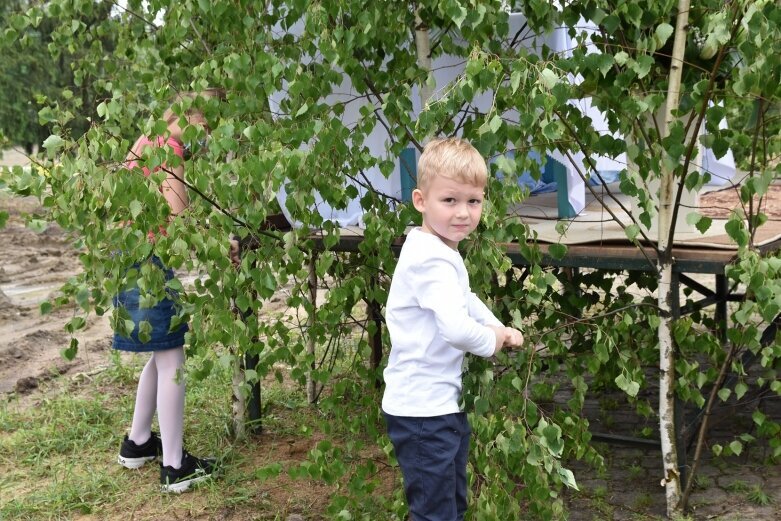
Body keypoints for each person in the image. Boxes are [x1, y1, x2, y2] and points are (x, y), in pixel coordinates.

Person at [381, 137, 525, 520]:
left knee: (450, 505)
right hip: (423, 413)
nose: (463, 212)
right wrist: (494, 339)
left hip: (441, 405)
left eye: (473, 201)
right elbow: (457, 330)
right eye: (450, 200)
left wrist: (497, 324)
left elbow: (463, 298)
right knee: (435, 513)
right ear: (420, 201)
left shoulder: (437, 248)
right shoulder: (432, 260)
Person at [114, 89, 226, 493]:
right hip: (149, 261)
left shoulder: (148, 139)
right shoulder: (171, 148)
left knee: (163, 351)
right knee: (173, 355)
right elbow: (178, 216)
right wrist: (218, 243)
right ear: (196, 120)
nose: (208, 141)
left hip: (128, 254)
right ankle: (176, 466)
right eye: (208, 130)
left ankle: (138, 441)